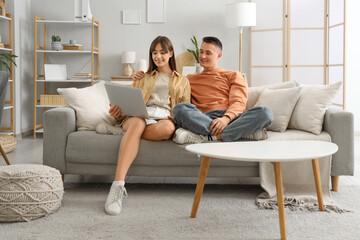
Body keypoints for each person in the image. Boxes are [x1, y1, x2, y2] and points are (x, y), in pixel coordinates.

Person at [98, 36, 190, 216]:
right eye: (154, 52)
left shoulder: (183, 81)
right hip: (139, 116)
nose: (158, 56)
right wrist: (119, 113)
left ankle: (122, 133)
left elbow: (186, 107)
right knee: (138, 123)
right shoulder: (143, 76)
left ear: (171, 53)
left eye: (163, 52)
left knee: (168, 130)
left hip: (163, 118)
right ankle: (117, 187)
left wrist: (176, 116)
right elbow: (129, 102)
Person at [134, 36, 273, 144]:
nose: (203, 56)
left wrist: (225, 119)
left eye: (208, 53)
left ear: (219, 56)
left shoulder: (233, 75)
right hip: (202, 118)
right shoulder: (188, 78)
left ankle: (212, 136)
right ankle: (238, 133)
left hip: (229, 118)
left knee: (265, 113)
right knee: (180, 109)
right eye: (201, 52)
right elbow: (172, 91)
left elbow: (239, 102)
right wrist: (141, 75)